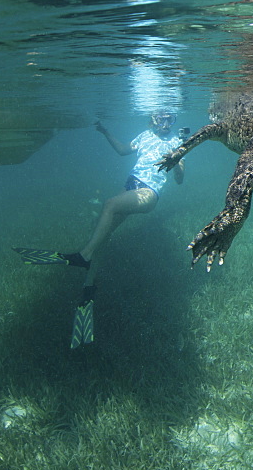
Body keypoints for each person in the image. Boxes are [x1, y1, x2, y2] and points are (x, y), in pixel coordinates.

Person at [13, 111, 185, 348]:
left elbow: (179, 179)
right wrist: (105, 132)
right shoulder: (145, 135)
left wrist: (175, 162)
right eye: (160, 119)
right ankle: (88, 287)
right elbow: (124, 150)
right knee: (104, 234)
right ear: (152, 120)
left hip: (148, 194)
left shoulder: (177, 142)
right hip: (131, 187)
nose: (166, 124)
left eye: (170, 119)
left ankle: (83, 256)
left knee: (109, 205)